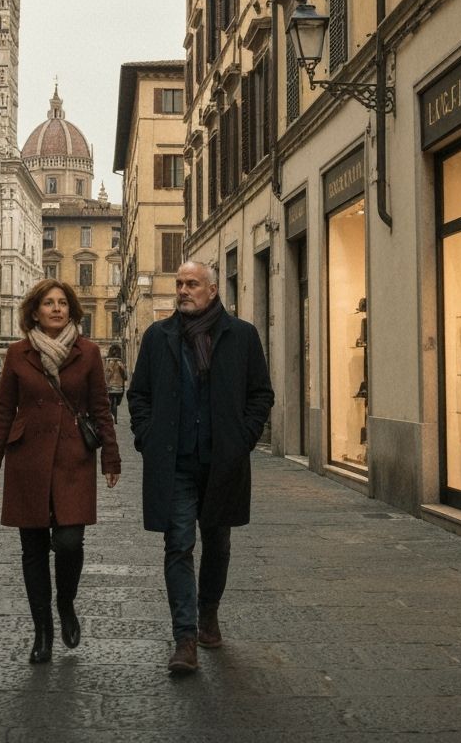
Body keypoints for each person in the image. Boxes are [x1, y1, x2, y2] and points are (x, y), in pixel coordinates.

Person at [128, 260, 273, 675]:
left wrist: (243, 437)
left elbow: (261, 394)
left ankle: (209, 613)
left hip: (222, 462)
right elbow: (140, 395)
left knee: (218, 543)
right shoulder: (159, 337)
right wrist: (147, 436)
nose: (183, 290)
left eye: (192, 284)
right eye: (179, 283)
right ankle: (185, 638)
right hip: (174, 461)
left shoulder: (241, 336)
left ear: (212, 291)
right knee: (178, 545)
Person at [0, 278, 121, 664]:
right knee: (33, 549)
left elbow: (100, 410)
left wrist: (111, 457)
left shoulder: (89, 352)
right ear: (35, 310)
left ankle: (66, 602)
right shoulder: (17, 354)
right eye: (48, 303)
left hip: (73, 457)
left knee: (71, 542)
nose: (56, 308)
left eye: (62, 302)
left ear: (71, 309)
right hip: (27, 458)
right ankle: (42, 631)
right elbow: (3, 410)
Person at [103, 345, 127, 424]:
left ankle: (112, 417)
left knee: (111, 401)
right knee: (113, 402)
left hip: (112, 386)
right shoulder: (118, 362)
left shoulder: (110, 362)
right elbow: (125, 376)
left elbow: (107, 374)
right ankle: (113, 417)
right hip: (118, 387)